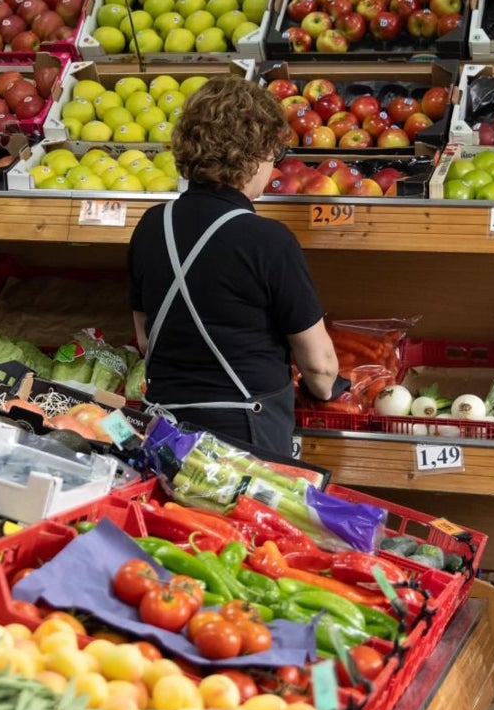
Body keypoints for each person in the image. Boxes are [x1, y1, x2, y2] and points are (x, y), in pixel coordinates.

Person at [127, 75, 344, 459]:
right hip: (245, 442)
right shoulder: (268, 240)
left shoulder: (150, 226)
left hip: (166, 435)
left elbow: (146, 340)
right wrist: (324, 391)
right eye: (272, 154)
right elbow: (321, 366)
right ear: (254, 154)